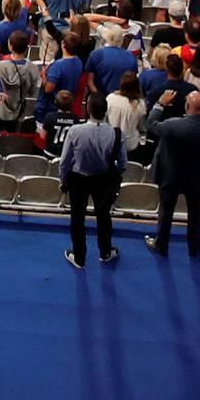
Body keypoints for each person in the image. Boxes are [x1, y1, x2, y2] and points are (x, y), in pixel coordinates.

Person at [144, 89, 200, 259]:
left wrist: (160, 104)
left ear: (187, 106)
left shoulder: (171, 125)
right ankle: (194, 247)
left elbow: (150, 124)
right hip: (197, 178)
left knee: (166, 213)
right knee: (196, 215)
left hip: (170, 176)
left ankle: (161, 244)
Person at [59, 90, 125, 269]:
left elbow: (65, 161)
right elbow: (122, 163)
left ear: (87, 109)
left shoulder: (75, 131)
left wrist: (63, 179)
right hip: (103, 180)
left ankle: (79, 257)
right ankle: (105, 252)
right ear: (105, 111)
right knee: (103, 216)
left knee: (77, 218)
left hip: (78, 179)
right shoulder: (116, 133)